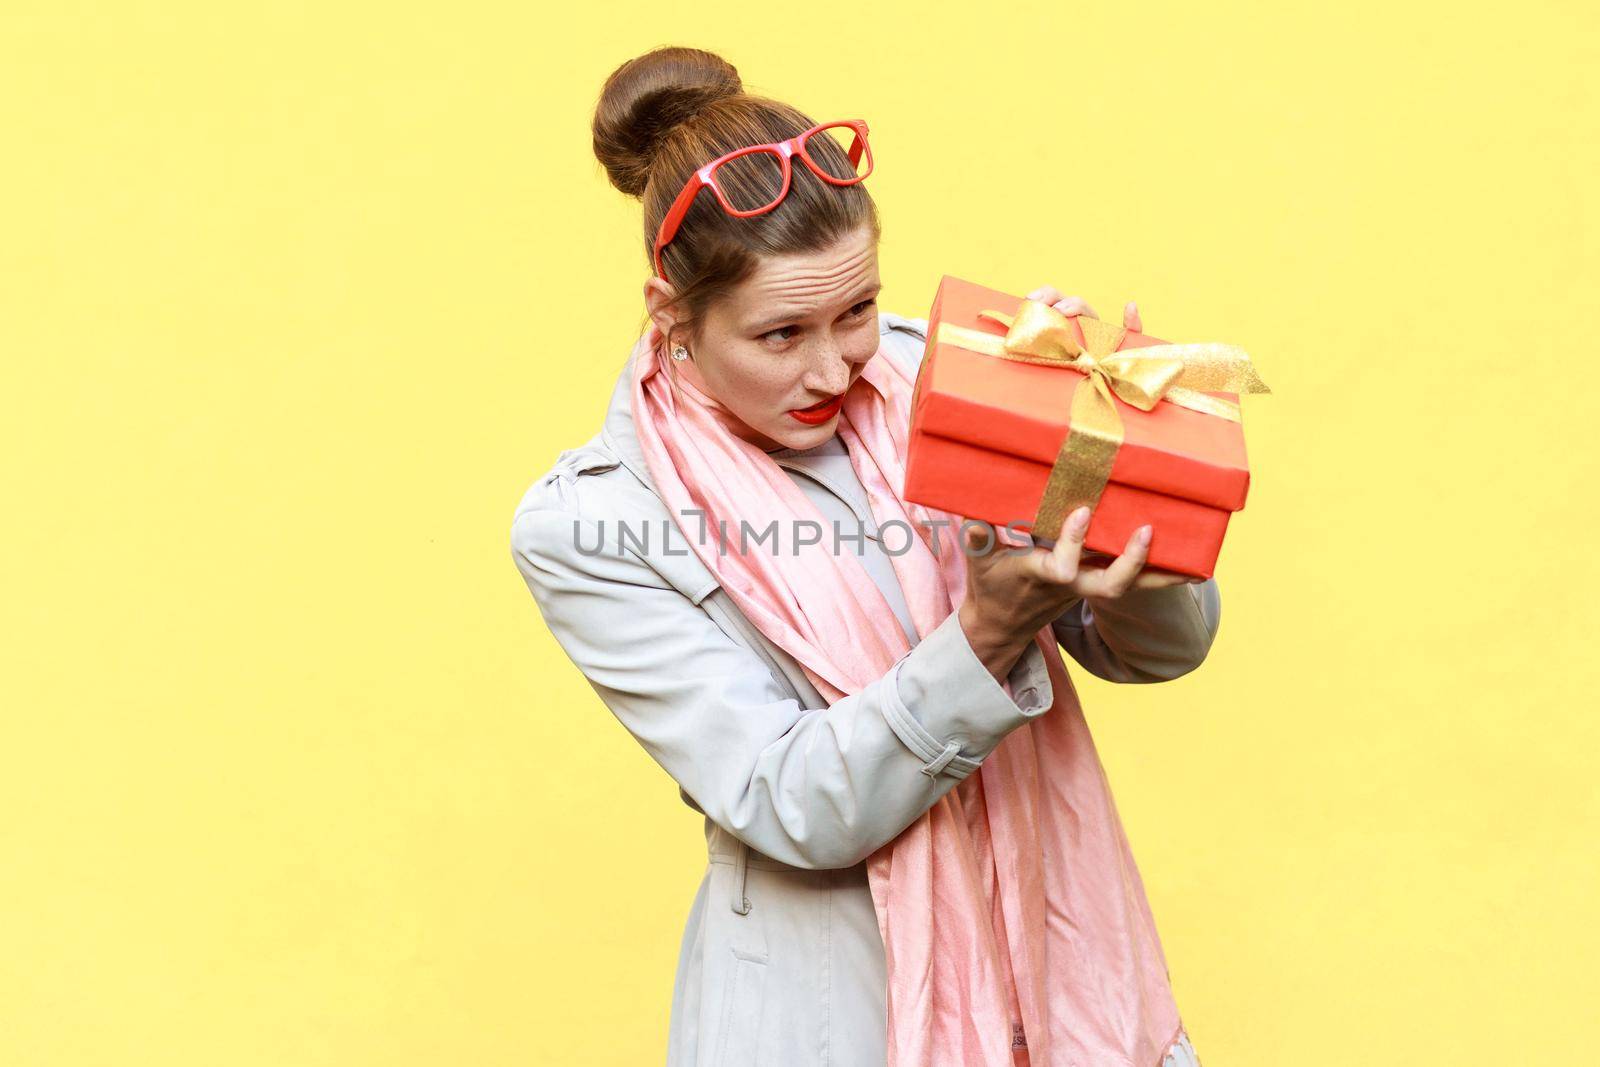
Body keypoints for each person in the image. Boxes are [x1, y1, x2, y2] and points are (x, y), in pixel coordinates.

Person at [509, 45, 1218, 1067]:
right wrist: (982, 636)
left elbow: (1154, 650)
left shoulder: (943, 374)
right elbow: (786, 798)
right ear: (674, 317)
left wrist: (1123, 486)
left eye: (853, 310)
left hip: (1071, 990)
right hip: (830, 1020)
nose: (838, 363)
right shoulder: (594, 525)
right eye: (781, 332)